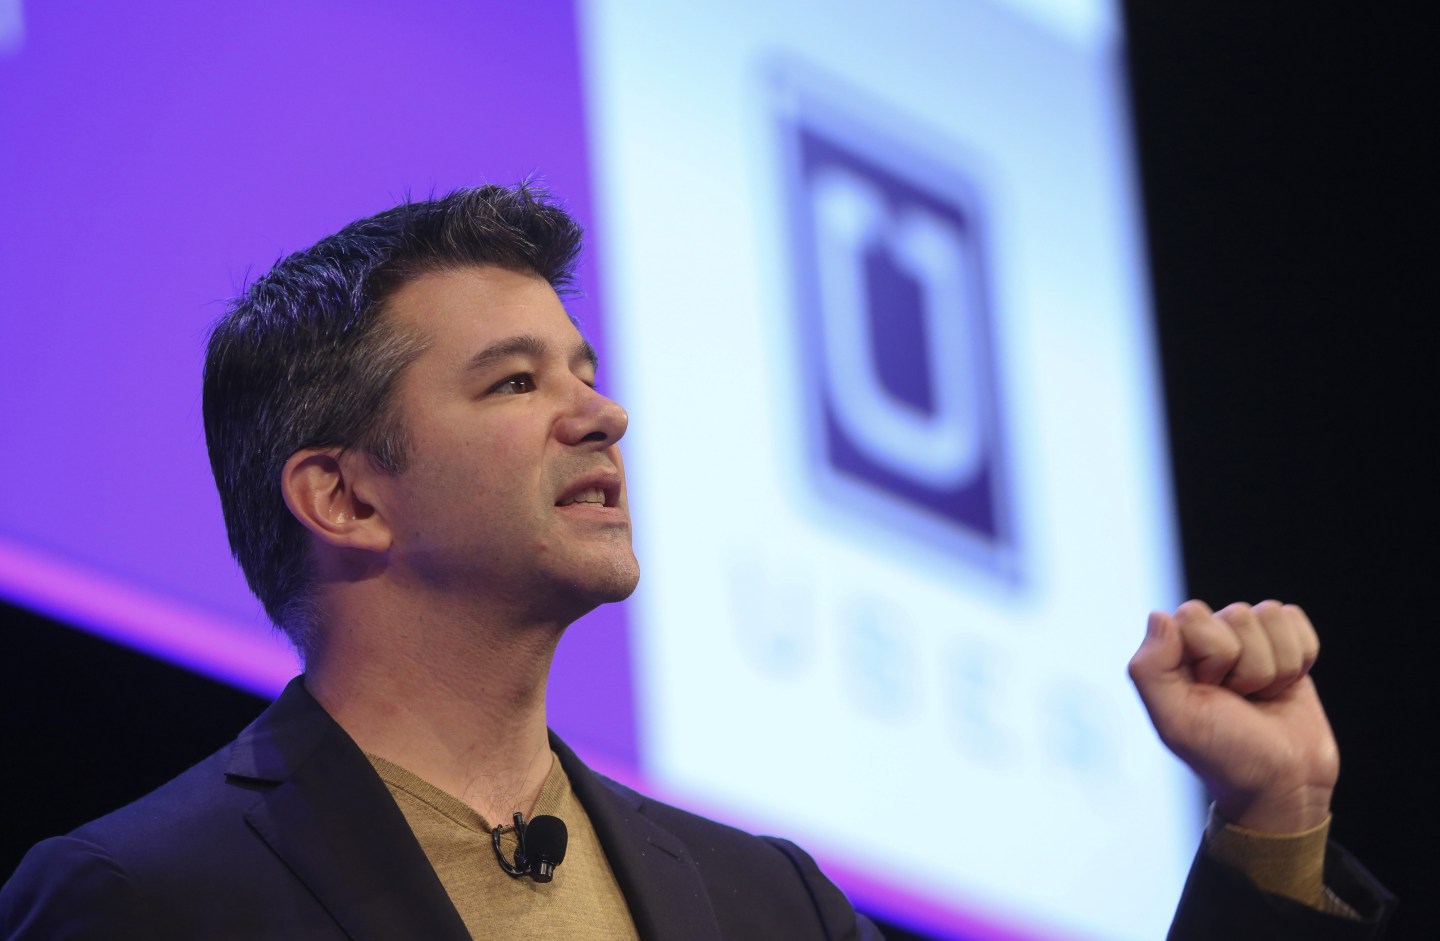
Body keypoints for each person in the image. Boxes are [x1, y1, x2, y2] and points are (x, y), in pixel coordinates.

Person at [0, 185, 1394, 939]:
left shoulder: (765, 902)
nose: (601, 410)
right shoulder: (146, 894)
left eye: (585, 368)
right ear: (344, 497)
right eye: (509, 383)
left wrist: (1270, 827)